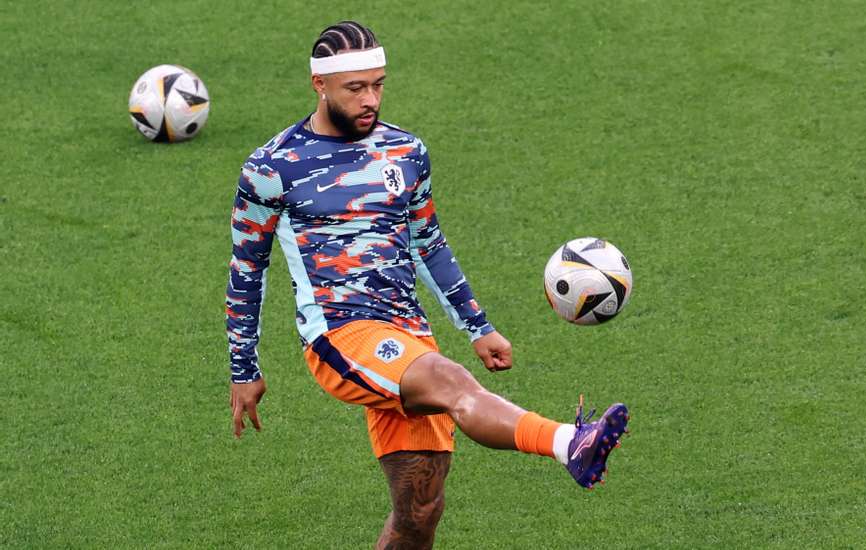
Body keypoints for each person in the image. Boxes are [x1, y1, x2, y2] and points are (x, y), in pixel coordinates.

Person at [225, 20, 629, 549]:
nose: (370, 99)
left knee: (419, 514)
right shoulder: (271, 168)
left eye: (378, 84)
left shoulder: (406, 152)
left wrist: (478, 325)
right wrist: (243, 368)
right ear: (318, 85)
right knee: (454, 383)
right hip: (340, 336)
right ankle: (568, 443)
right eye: (355, 88)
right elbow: (246, 270)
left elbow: (429, 244)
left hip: (409, 338)